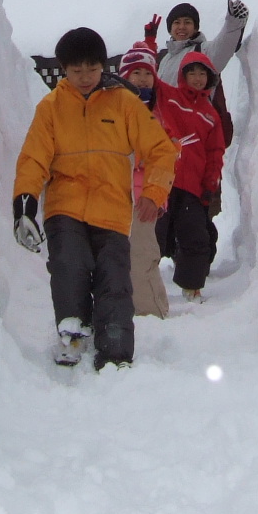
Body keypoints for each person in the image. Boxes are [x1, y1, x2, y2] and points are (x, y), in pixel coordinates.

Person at [12, 27, 179, 369]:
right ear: (63, 70)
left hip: (113, 210)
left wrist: (153, 191)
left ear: (103, 66)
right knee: (69, 265)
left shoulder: (124, 103)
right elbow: (33, 159)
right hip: (65, 206)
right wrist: (25, 204)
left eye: (92, 69)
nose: (85, 77)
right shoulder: (51, 109)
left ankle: (115, 349)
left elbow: (162, 150)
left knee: (114, 278)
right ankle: (72, 334)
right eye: (76, 71)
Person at [155, 50, 226, 301]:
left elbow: (215, 152)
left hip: (192, 188)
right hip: (163, 182)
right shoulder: (170, 97)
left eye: (202, 73)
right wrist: (150, 42)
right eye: (192, 72)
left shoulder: (211, 115)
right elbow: (147, 77)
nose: (197, 78)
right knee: (155, 235)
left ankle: (191, 287)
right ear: (182, 75)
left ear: (209, 78)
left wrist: (210, 183)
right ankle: (144, 284)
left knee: (196, 237)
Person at [117, 43, 174, 320]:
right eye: (135, 72)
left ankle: (152, 313)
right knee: (119, 260)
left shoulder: (159, 112)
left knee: (142, 257)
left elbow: (165, 157)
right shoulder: (115, 108)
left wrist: (157, 195)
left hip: (145, 199)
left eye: (147, 73)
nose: (141, 78)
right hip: (116, 198)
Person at [149, 0, 249, 144]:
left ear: (195, 28)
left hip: (194, 134)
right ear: (170, 28)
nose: (182, 27)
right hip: (166, 135)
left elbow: (223, 47)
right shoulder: (165, 58)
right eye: (176, 22)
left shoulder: (202, 51)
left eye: (187, 22)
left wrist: (233, 22)